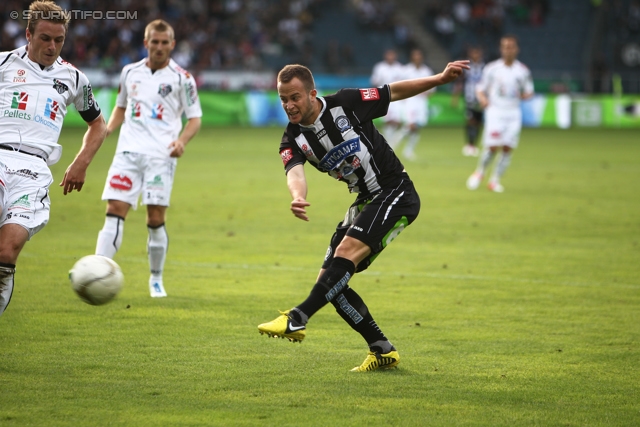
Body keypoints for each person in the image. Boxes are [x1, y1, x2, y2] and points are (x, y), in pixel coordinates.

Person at [258, 60, 469, 371]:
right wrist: (298, 196)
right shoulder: (292, 139)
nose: (289, 105)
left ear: (312, 94)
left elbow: (393, 91)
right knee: (330, 281)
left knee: (342, 257)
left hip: (395, 191)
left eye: (295, 97)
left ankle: (297, 317)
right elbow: (294, 172)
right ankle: (381, 349)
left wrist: (439, 79)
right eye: (283, 99)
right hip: (366, 201)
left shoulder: (346, 102)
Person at [0, 0, 106, 317]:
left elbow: (99, 125)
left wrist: (80, 163)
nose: (52, 46)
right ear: (28, 34)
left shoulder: (74, 78)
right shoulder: (4, 64)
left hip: (34, 170)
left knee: (7, 251)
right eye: (45, 38)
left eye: (59, 40)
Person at [94, 19, 202, 298]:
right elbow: (120, 107)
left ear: (172, 45)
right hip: (127, 152)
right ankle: (97, 270)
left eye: (165, 42)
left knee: (154, 217)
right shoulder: (129, 72)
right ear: (146, 43)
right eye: (155, 42)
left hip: (160, 156)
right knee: (115, 209)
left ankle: (156, 279)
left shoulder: (182, 78)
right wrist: (107, 130)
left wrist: (182, 141)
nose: (159, 47)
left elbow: (194, 119)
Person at [466, 35, 533, 193]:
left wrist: (520, 95)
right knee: (492, 146)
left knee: (508, 147)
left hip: (513, 113)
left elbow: (529, 92)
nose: (508, 50)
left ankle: (495, 180)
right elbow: (480, 88)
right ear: (501, 49)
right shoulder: (492, 68)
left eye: (511, 47)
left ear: (517, 49)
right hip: (495, 111)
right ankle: (479, 172)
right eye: (505, 46)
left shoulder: (522, 71)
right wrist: (483, 100)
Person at [395, 48, 435, 160]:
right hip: (410, 102)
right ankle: (392, 145)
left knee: (417, 127)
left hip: (421, 103)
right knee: (411, 125)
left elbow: (432, 88)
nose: (417, 58)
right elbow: (398, 86)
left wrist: (428, 92)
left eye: (419, 56)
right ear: (412, 57)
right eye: (415, 56)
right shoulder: (406, 70)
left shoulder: (426, 71)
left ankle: (408, 151)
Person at [451, 46, 485, 157]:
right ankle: (469, 144)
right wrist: (455, 97)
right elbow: (459, 82)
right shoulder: (466, 68)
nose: (475, 55)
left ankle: (474, 145)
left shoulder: (484, 67)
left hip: (481, 99)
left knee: (479, 123)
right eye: (473, 53)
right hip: (469, 98)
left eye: (477, 53)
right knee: (470, 121)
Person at [370, 49, 404, 148]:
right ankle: (389, 144)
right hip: (384, 97)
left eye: (392, 55)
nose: (390, 57)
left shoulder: (400, 68)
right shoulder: (380, 67)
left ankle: (388, 143)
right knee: (388, 121)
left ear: (395, 56)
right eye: (389, 55)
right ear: (385, 56)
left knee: (397, 122)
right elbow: (374, 81)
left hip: (397, 98)